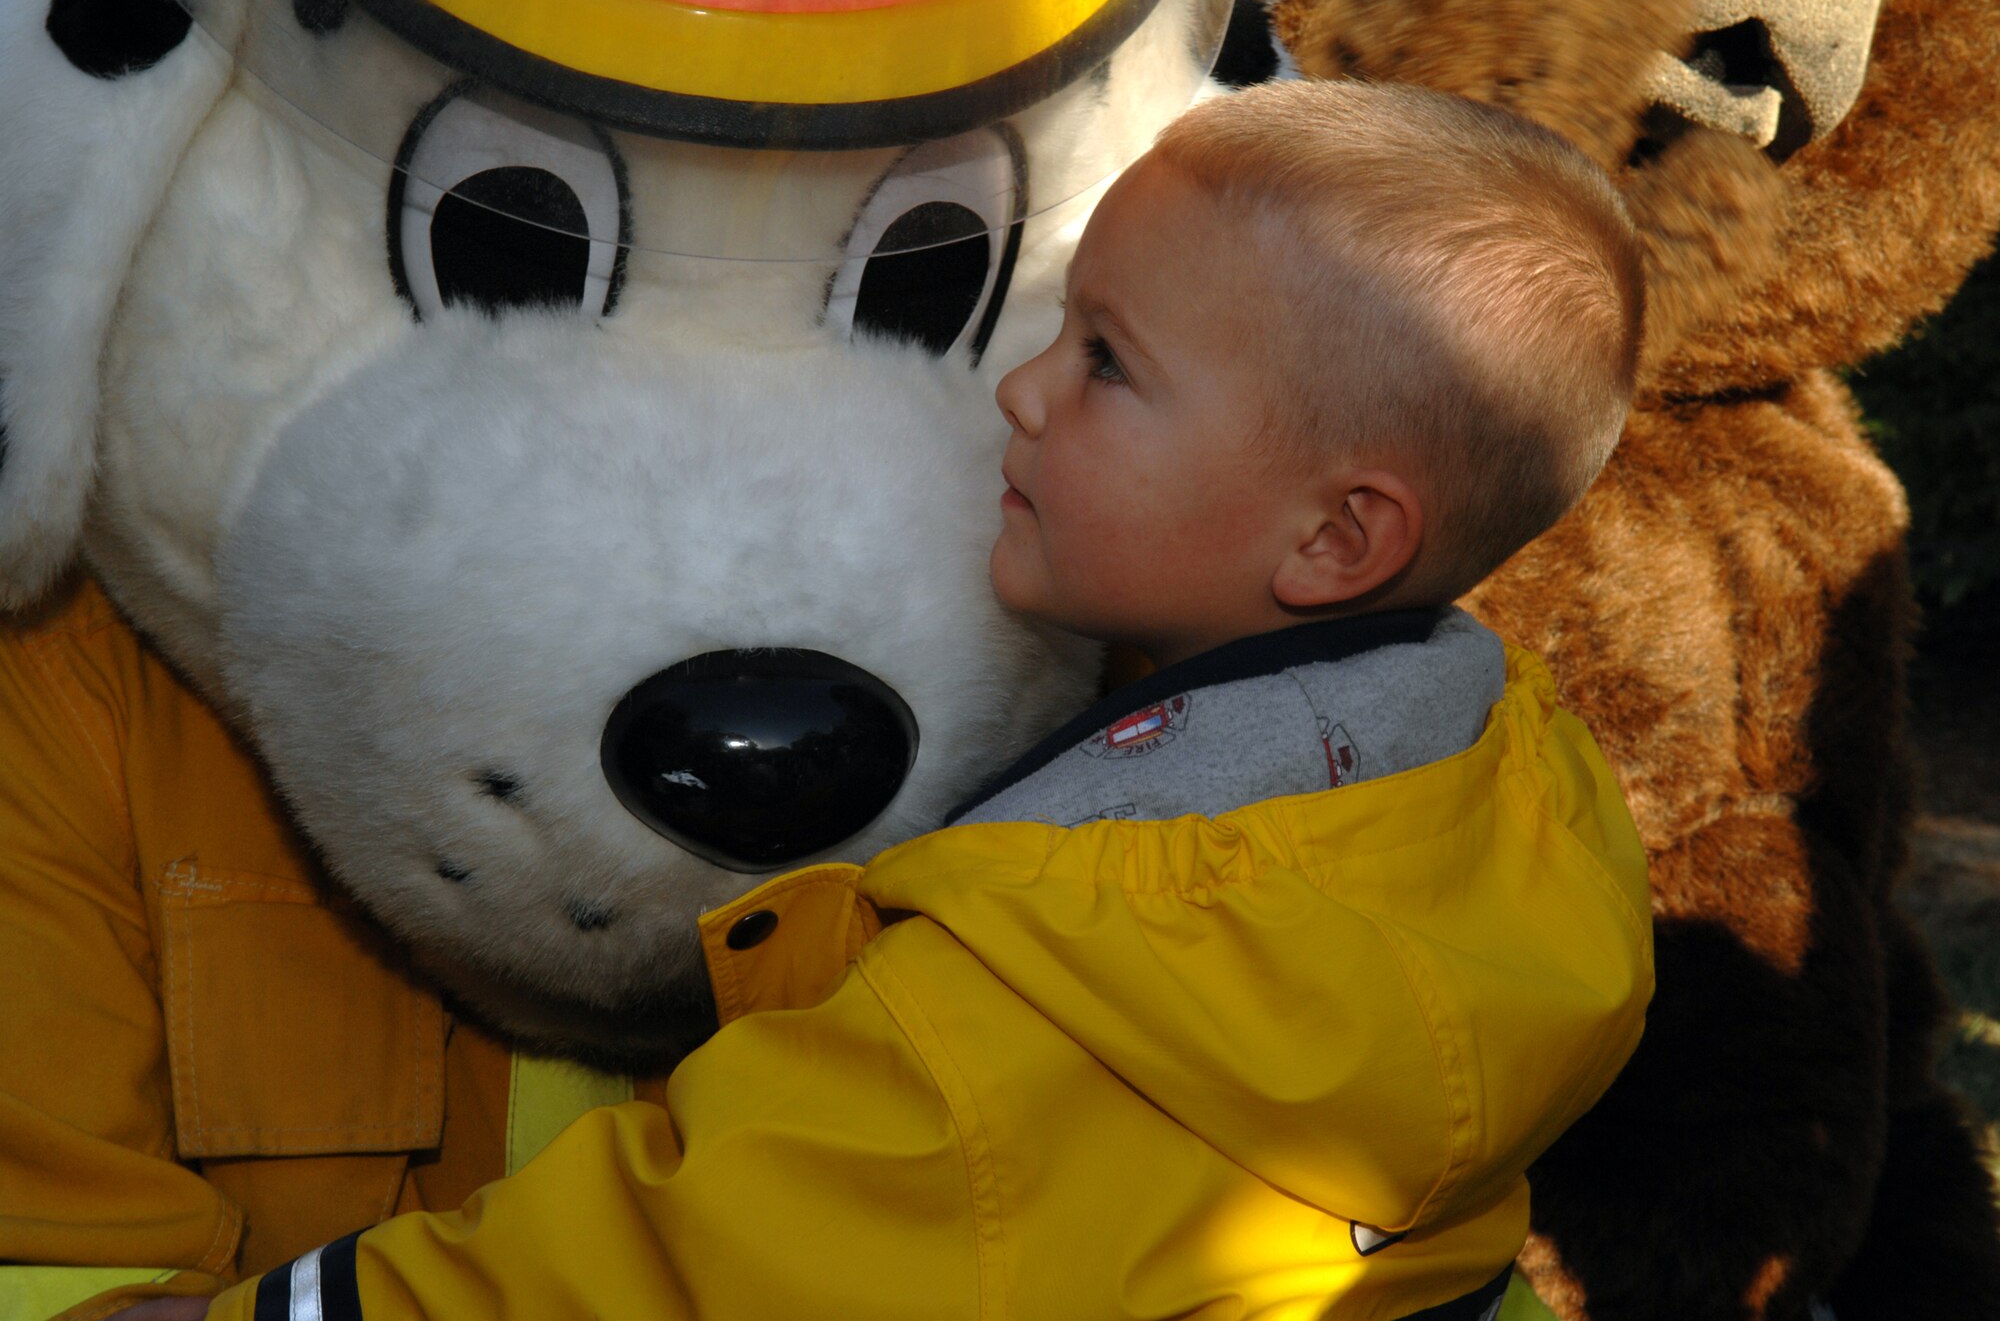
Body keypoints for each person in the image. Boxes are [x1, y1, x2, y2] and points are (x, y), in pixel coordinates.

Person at [187, 79, 1652, 1321]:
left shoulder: (1080, 976)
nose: (1021, 391)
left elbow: (704, 1257)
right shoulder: (1504, 779)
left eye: (1105, 364)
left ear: (1335, 539)